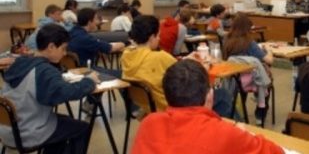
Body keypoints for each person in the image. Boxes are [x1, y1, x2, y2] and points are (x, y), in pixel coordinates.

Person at [131, 59, 284, 154]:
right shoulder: (223, 134)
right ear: (210, 95)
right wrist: (244, 137)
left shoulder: (148, 123)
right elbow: (276, 152)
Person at [0, 24, 99, 154]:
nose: (65, 53)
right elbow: (67, 93)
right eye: (63, 49)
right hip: (28, 131)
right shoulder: (45, 71)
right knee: (82, 128)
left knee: (63, 124)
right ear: (51, 47)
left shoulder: (20, 62)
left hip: (7, 129)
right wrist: (89, 81)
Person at [224, 13, 274, 124]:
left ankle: (241, 111)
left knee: (248, 75)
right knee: (267, 79)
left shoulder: (226, 40)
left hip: (234, 80)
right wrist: (269, 50)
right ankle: (259, 115)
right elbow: (269, 60)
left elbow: (225, 59)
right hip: (253, 81)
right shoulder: (250, 43)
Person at [122, 15, 177, 112]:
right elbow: (184, 72)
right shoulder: (160, 57)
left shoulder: (126, 55)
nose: (159, 39)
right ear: (152, 37)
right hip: (166, 107)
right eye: (158, 35)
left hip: (144, 106)